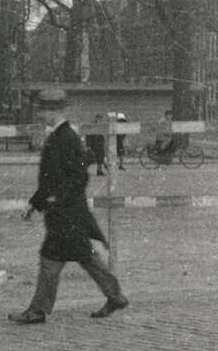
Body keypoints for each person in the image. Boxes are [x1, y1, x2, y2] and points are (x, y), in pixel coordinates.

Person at [8, 88, 129, 325]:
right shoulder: (59, 136)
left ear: (55, 112)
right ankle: (115, 296)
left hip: (66, 214)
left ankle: (38, 310)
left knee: (51, 259)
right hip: (67, 214)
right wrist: (34, 204)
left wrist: (55, 199)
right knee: (85, 258)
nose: (41, 115)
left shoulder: (66, 138)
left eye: (44, 110)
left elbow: (79, 177)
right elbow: (51, 178)